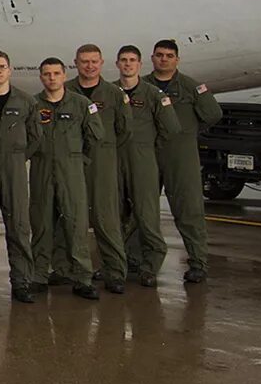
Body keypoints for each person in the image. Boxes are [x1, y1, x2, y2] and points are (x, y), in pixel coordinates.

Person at [148, 39, 222, 284]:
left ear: (177, 60)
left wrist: (187, 132)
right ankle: (138, 262)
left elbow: (212, 114)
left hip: (180, 155)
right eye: (159, 55)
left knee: (188, 210)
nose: (164, 59)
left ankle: (198, 262)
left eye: (169, 56)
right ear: (152, 58)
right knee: (142, 209)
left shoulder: (191, 87)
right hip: (148, 153)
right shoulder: (143, 86)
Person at [27, 58, 100, 300]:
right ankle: (38, 275)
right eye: (46, 74)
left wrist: (79, 161)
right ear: (41, 77)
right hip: (42, 169)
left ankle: (82, 278)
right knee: (41, 223)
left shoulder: (81, 104)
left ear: (63, 75)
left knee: (76, 224)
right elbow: (26, 138)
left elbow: (94, 138)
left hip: (71, 170)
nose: (51, 78)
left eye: (56, 73)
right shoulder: (33, 105)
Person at [114, 45, 182, 286]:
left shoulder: (153, 94)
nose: (128, 64)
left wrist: (149, 146)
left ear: (140, 65)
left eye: (132, 60)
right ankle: (116, 265)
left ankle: (150, 266)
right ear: (117, 64)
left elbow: (171, 128)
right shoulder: (110, 92)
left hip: (143, 160)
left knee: (146, 213)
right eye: (124, 60)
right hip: (114, 160)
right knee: (114, 215)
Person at [0, 49, 38, 303]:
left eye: (2, 66)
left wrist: (17, 157)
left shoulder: (25, 101)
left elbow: (35, 138)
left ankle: (22, 282)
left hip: (13, 170)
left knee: (19, 229)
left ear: (10, 70)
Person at [73, 44, 130, 293]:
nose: (89, 66)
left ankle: (115, 272)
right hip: (74, 162)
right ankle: (69, 270)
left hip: (103, 162)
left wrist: (105, 150)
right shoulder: (66, 91)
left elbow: (124, 130)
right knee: (71, 218)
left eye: (94, 61)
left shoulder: (114, 94)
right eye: (85, 61)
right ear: (76, 63)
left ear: (101, 63)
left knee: (107, 219)